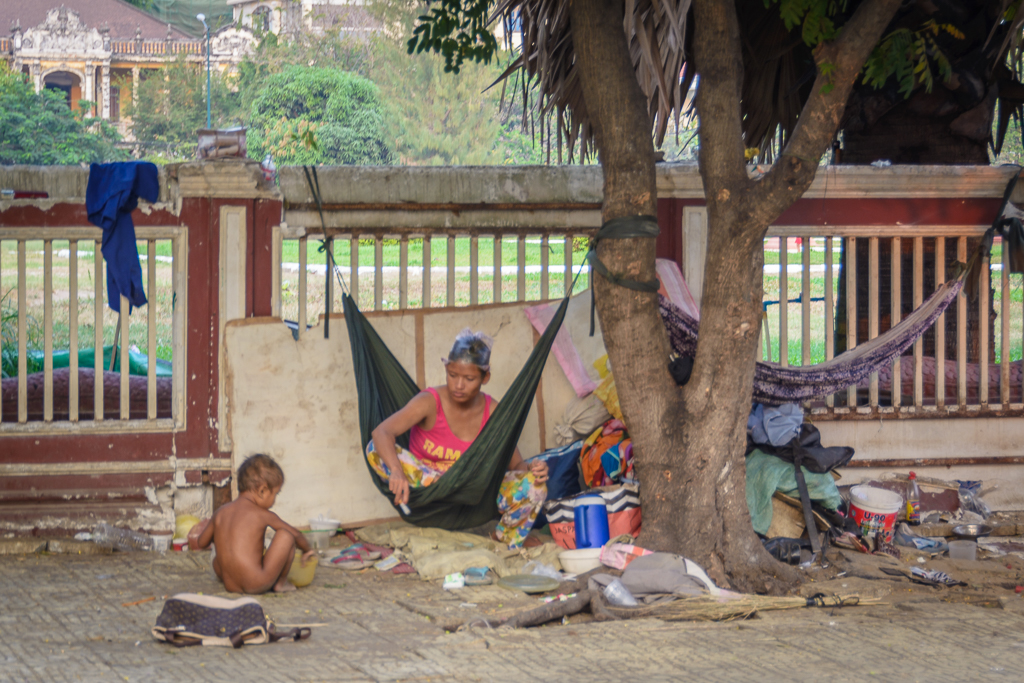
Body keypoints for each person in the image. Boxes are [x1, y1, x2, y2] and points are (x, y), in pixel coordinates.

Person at [368, 328, 549, 548]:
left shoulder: (493, 413)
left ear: (486, 377)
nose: (459, 385)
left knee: (536, 487)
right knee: (375, 449)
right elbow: (381, 432)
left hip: (469, 494)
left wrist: (533, 469)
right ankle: (441, 484)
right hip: (427, 489)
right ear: (446, 369)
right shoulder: (429, 401)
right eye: (453, 375)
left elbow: (516, 465)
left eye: (469, 378)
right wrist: (396, 471)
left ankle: (502, 538)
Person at [196, 454, 315, 594]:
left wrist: (222, 535)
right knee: (286, 536)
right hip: (256, 583)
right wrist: (308, 550)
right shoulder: (262, 515)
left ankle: (234, 578)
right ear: (262, 491)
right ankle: (281, 584)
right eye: (275, 494)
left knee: (219, 558)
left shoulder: (221, 512)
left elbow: (201, 542)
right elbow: (296, 534)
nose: (274, 500)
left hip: (230, 585)